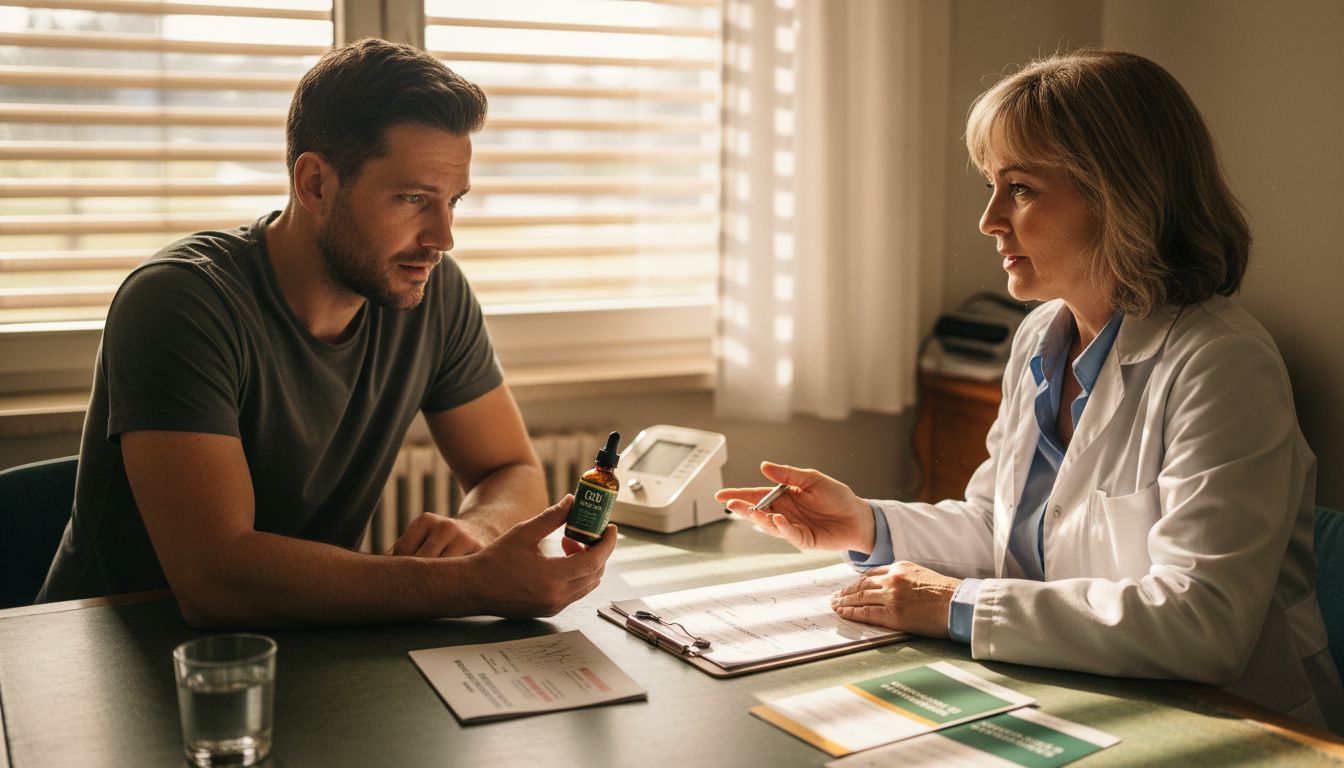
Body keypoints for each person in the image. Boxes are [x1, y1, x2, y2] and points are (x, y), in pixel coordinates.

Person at [716, 49, 1344, 730]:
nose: (989, 219)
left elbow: (1204, 622)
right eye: (992, 186)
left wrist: (959, 604)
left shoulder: (1222, 362)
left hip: (1230, 723)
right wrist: (868, 523)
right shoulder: (1042, 335)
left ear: (1121, 195)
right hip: (1075, 692)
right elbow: (1005, 530)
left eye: (1019, 188)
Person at [36, 39, 616, 626]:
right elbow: (215, 580)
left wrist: (478, 529)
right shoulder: (180, 302)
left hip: (300, 642)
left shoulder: (432, 292)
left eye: (452, 202)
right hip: (104, 659)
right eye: (413, 198)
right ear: (314, 184)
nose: (442, 238)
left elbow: (509, 468)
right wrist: (469, 585)